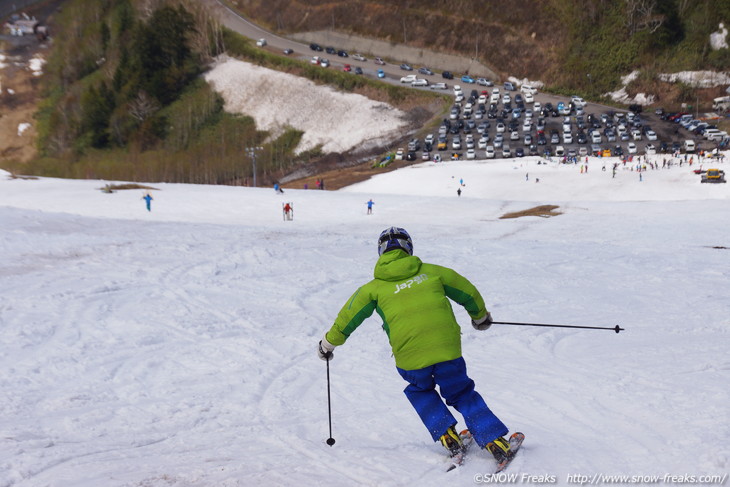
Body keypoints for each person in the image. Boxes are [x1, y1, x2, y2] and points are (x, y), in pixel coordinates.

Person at [317, 227, 513, 463]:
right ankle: (494, 440)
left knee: (420, 390)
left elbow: (347, 319)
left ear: (380, 253)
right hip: (446, 350)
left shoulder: (372, 289)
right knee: (461, 392)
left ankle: (446, 434)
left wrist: (328, 345)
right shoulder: (433, 272)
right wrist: (480, 317)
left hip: (409, 357)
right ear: (408, 248)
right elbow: (467, 292)